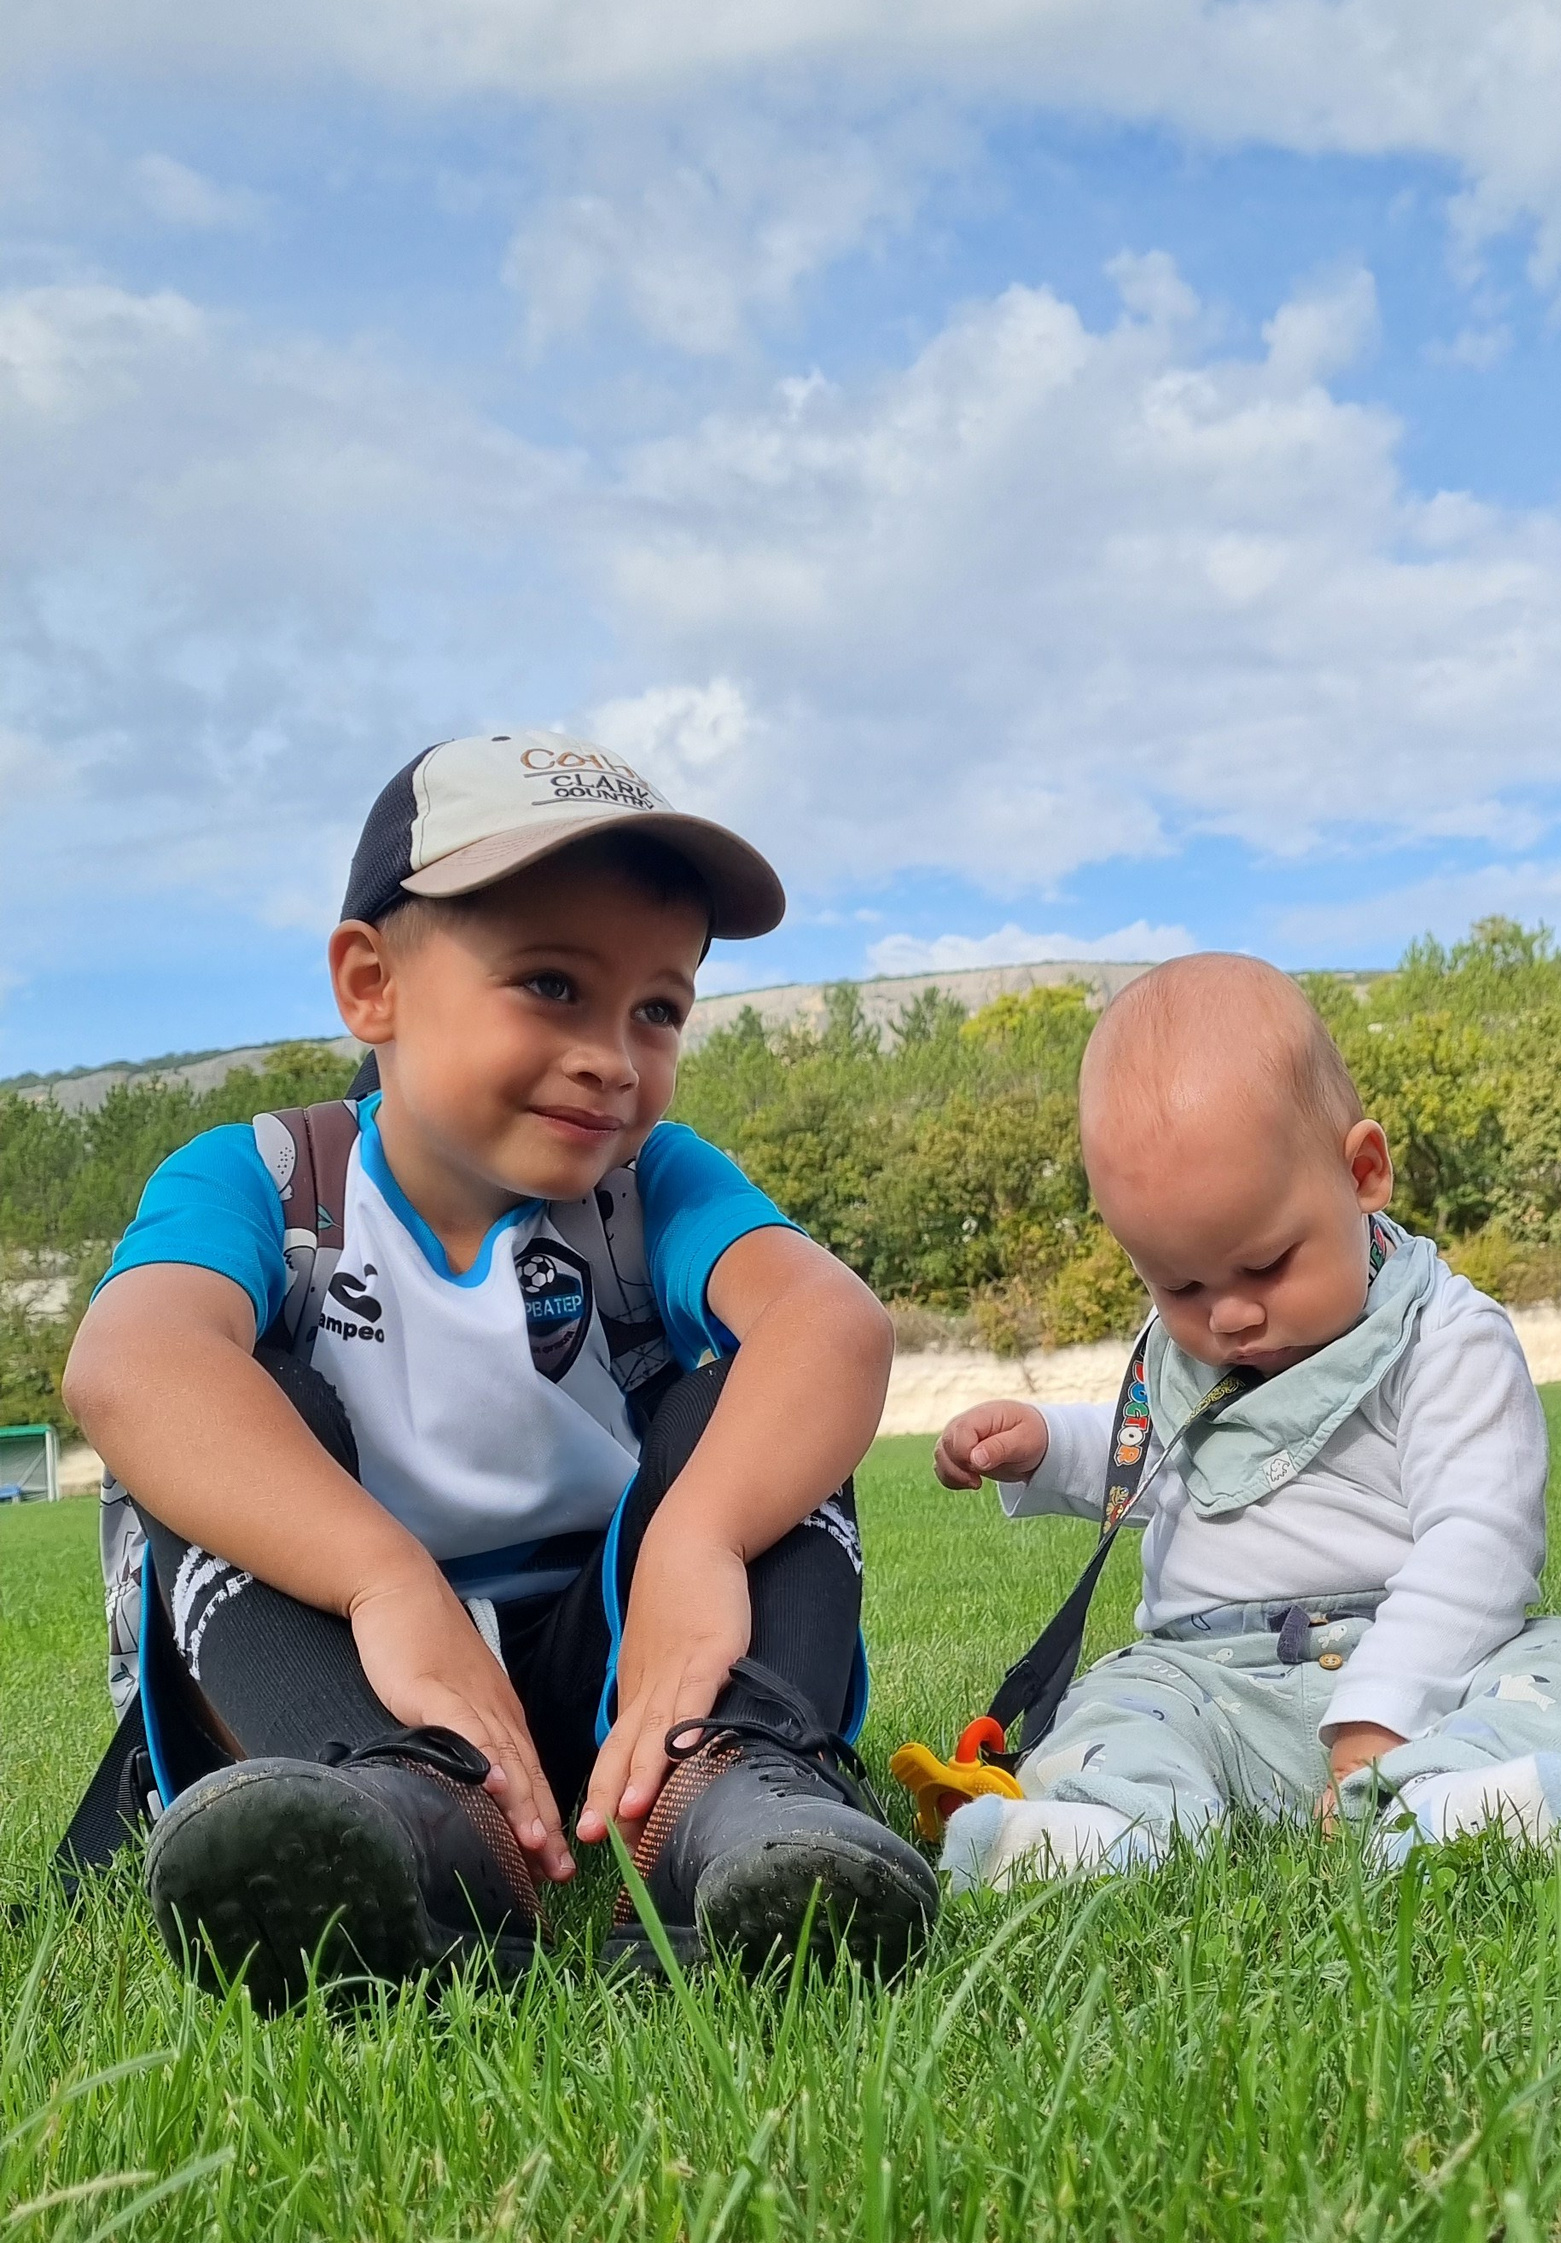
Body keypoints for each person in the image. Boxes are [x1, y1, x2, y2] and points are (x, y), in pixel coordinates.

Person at [61, 731, 937, 2005]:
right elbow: (131, 1364)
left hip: (631, 1686)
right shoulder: (265, 1181)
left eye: (658, 1007)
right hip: (356, 1683)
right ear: (373, 986)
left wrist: (694, 1541)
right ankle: (395, 1830)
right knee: (247, 1414)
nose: (614, 1057)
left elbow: (833, 1327)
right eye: (551, 985)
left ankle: (729, 1797)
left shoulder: (656, 1188)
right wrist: (380, 1579)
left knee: (745, 1402)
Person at [926, 954, 1561, 1889]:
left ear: (1363, 1173)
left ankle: (1444, 1803)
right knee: (1119, 1699)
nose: (1227, 1317)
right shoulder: (1193, 1352)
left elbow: (1480, 1541)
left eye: (1265, 1266)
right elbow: (1155, 1461)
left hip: (1416, 1663)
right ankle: (1108, 1832)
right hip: (1206, 1679)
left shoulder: (1444, 1335)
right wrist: (1043, 1448)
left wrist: (1380, 1710)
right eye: (1178, 1283)